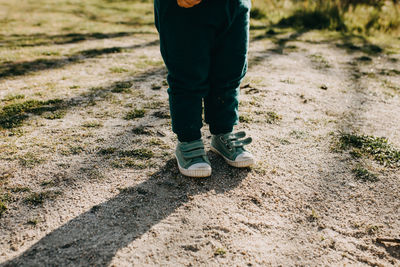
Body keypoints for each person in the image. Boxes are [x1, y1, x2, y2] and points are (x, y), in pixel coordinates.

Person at [154, 0, 255, 177]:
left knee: (230, 70)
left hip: (234, 5)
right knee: (187, 73)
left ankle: (223, 131)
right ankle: (188, 139)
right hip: (184, 8)